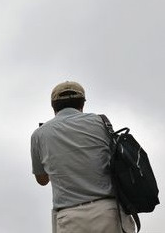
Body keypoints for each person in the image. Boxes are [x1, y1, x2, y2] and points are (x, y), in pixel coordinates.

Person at [30, 81, 135, 233]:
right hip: (109, 211)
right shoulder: (101, 122)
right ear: (82, 104)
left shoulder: (39, 135)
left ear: (53, 106)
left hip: (69, 217)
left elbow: (42, 180)